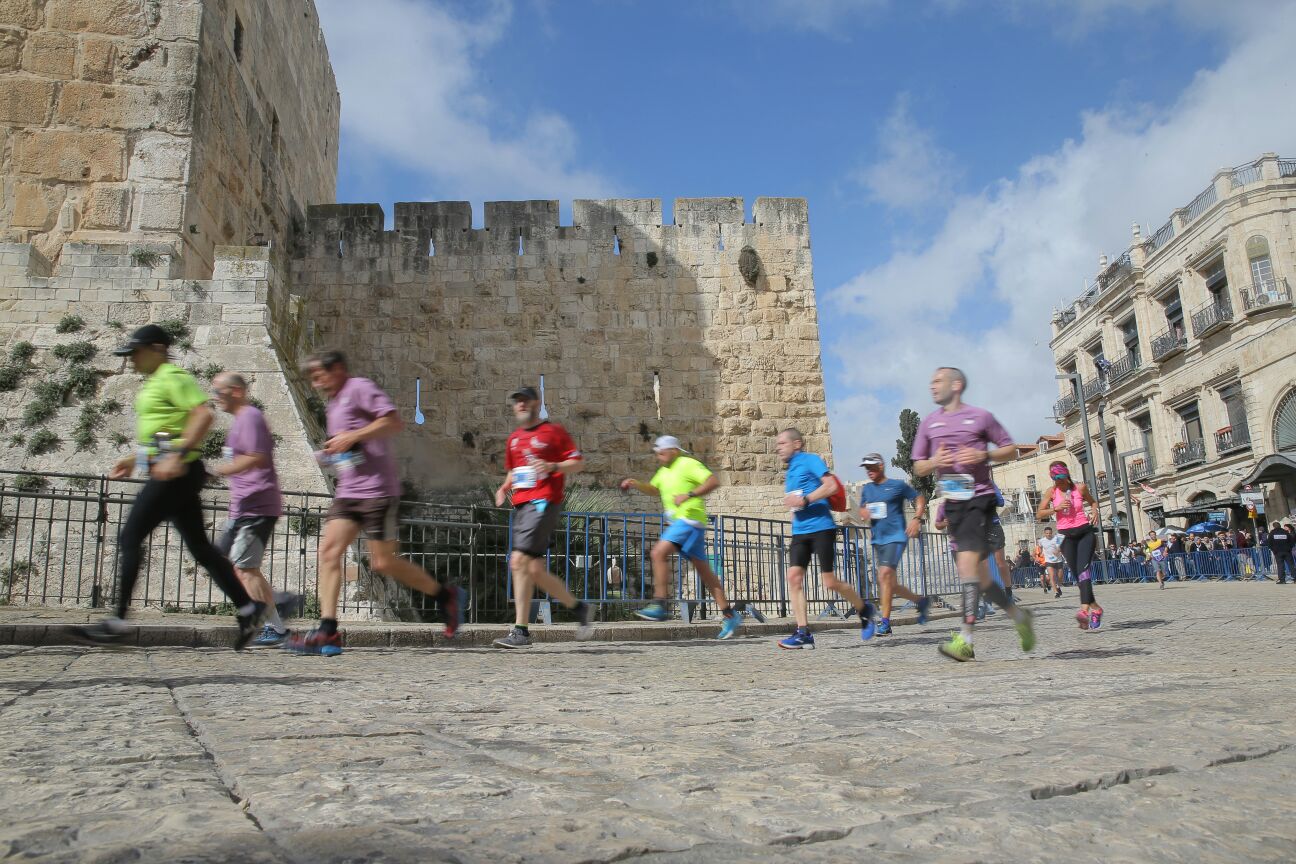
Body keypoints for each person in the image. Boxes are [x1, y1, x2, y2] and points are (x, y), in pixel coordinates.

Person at [75, 325, 264, 647]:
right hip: (177, 470)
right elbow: (163, 432)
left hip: (176, 473)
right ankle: (248, 608)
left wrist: (176, 455)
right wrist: (135, 458)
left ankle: (118, 621)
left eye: (135, 352)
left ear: (157, 348)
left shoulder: (173, 377)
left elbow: (203, 414)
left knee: (130, 536)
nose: (131, 360)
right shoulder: (155, 383)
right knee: (201, 549)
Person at [286, 350, 464, 656]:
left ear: (338, 369)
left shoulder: (360, 388)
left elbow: (393, 422)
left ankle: (444, 596)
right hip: (349, 491)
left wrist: (352, 435)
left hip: (377, 492)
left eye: (319, 377)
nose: (315, 385)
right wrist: (331, 452)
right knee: (328, 552)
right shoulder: (334, 404)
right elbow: (351, 447)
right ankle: (327, 631)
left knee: (383, 562)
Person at [912, 367, 1034, 662]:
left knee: (966, 567)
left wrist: (984, 455)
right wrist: (934, 461)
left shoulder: (981, 417)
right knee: (980, 579)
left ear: (956, 385)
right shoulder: (929, 423)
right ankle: (1019, 618)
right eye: (930, 382)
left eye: (938, 381)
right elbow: (918, 466)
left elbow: (1011, 449)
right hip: (953, 502)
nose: (932, 386)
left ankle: (965, 640)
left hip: (979, 498)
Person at [492, 386, 593, 649]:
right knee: (534, 569)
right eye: (517, 401)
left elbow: (578, 462)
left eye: (525, 400)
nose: (521, 405)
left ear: (536, 403)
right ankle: (579, 608)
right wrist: (504, 487)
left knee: (518, 560)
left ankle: (521, 632)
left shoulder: (554, 432)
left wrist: (553, 466)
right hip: (522, 506)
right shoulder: (514, 439)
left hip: (544, 501)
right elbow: (515, 470)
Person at [620, 436, 743, 639]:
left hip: (689, 520)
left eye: (661, 452)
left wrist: (689, 494)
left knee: (658, 552)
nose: (658, 456)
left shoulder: (687, 463)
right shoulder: (663, 471)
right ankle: (730, 615)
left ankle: (660, 604)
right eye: (657, 453)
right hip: (685, 524)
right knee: (706, 574)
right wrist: (636, 484)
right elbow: (655, 489)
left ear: (674, 450)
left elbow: (713, 481)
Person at [211, 373, 296, 646]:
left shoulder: (250, 418)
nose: (214, 397)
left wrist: (216, 470)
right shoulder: (240, 422)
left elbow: (255, 456)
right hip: (242, 507)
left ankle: (277, 626)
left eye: (218, 391)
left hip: (257, 506)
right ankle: (279, 603)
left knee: (245, 568)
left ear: (235, 391)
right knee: (222, 562)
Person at [776, 428, 875, 649]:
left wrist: (806, 500)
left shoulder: (811, 460)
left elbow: (830, 486)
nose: (778, 447)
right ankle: (803, 633)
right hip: (800, 531)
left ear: (797, 444)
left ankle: (864, 609)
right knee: (793, 578)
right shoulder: (791, 470)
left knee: (829, 582)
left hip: (822, 527)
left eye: (782, 443)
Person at [856, 452, 930, 636]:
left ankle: (886, 623)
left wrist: (916, 518)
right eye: (866, 468)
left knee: (884, 575)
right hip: (878, 540)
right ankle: (920, 601)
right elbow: (863, 509)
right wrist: (863, 513)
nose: (869, 471)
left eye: (872, 467)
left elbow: (919, 498)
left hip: (896, 537)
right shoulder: (867, 490)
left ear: (881, 466)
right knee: (890, 583)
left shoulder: (897, 486)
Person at [1036, 460, 1104, 631]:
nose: (1057, 482)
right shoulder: (1051, 492)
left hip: (1084, 533)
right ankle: (1096, 609)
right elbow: (1039, 513)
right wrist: (1055, 508)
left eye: (1060, 479)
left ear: (1066, 476)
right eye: (1054, 479)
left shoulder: (1079, 488)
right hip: (1066, 536)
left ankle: (1084, 612)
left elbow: (1093, 502)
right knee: (1078, 577)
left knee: (1083, 571)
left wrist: (1095, 512)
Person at [1038, 526, 1065, 598]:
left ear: (1052, 533)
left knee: (1060, 576)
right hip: (1048, 561)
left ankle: (1058, 586)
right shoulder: (1041, 541)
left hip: (1058, 560)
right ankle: (1056, 592)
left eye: (1050, 533)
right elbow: (1040, 547)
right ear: (1044, 533)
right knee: (1052, 576)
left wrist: (1058, 550)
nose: (1048, 534)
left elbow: (1061, 547)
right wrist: (1041, 553)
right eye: (1047, 533)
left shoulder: (1056, 538)